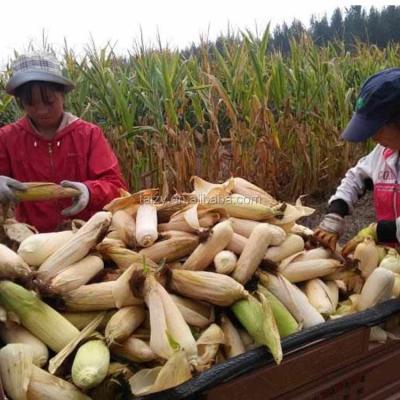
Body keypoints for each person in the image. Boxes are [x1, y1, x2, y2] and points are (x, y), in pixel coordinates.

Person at [0, 52, 127, 232]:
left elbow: (116, 186)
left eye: (49, 101)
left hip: (86, 236)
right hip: (31, 242)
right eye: (31, 103)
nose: (41, 111)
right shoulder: (6, 138)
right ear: (21, 103)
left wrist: (88, 191)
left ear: (62, 94)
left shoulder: (89, 134)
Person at [314, 68, 400, 254]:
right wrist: (335, 214)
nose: (373, 138)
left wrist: (377, 231)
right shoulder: (384, 152)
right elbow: (355, 177)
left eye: (377, 129)